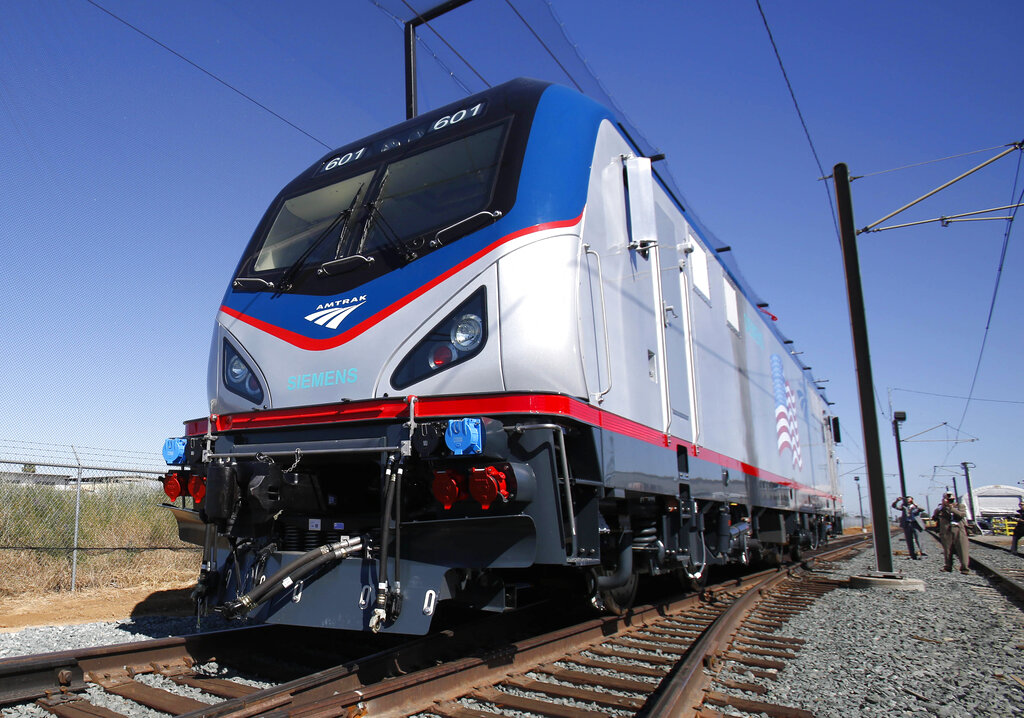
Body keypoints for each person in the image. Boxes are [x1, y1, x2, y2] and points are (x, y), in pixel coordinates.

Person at [933, 492, 969, 573]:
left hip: (958, 528)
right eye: (947, 498)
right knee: (947, 549)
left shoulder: (960, 506)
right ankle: (948, 566)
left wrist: (951, 508)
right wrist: (942, 506)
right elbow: (935, 516)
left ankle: (964, 568)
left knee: (962, 548)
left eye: (951, 498)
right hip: (946, 530)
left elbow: (961, 515)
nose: (949, 500)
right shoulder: (941, 508)